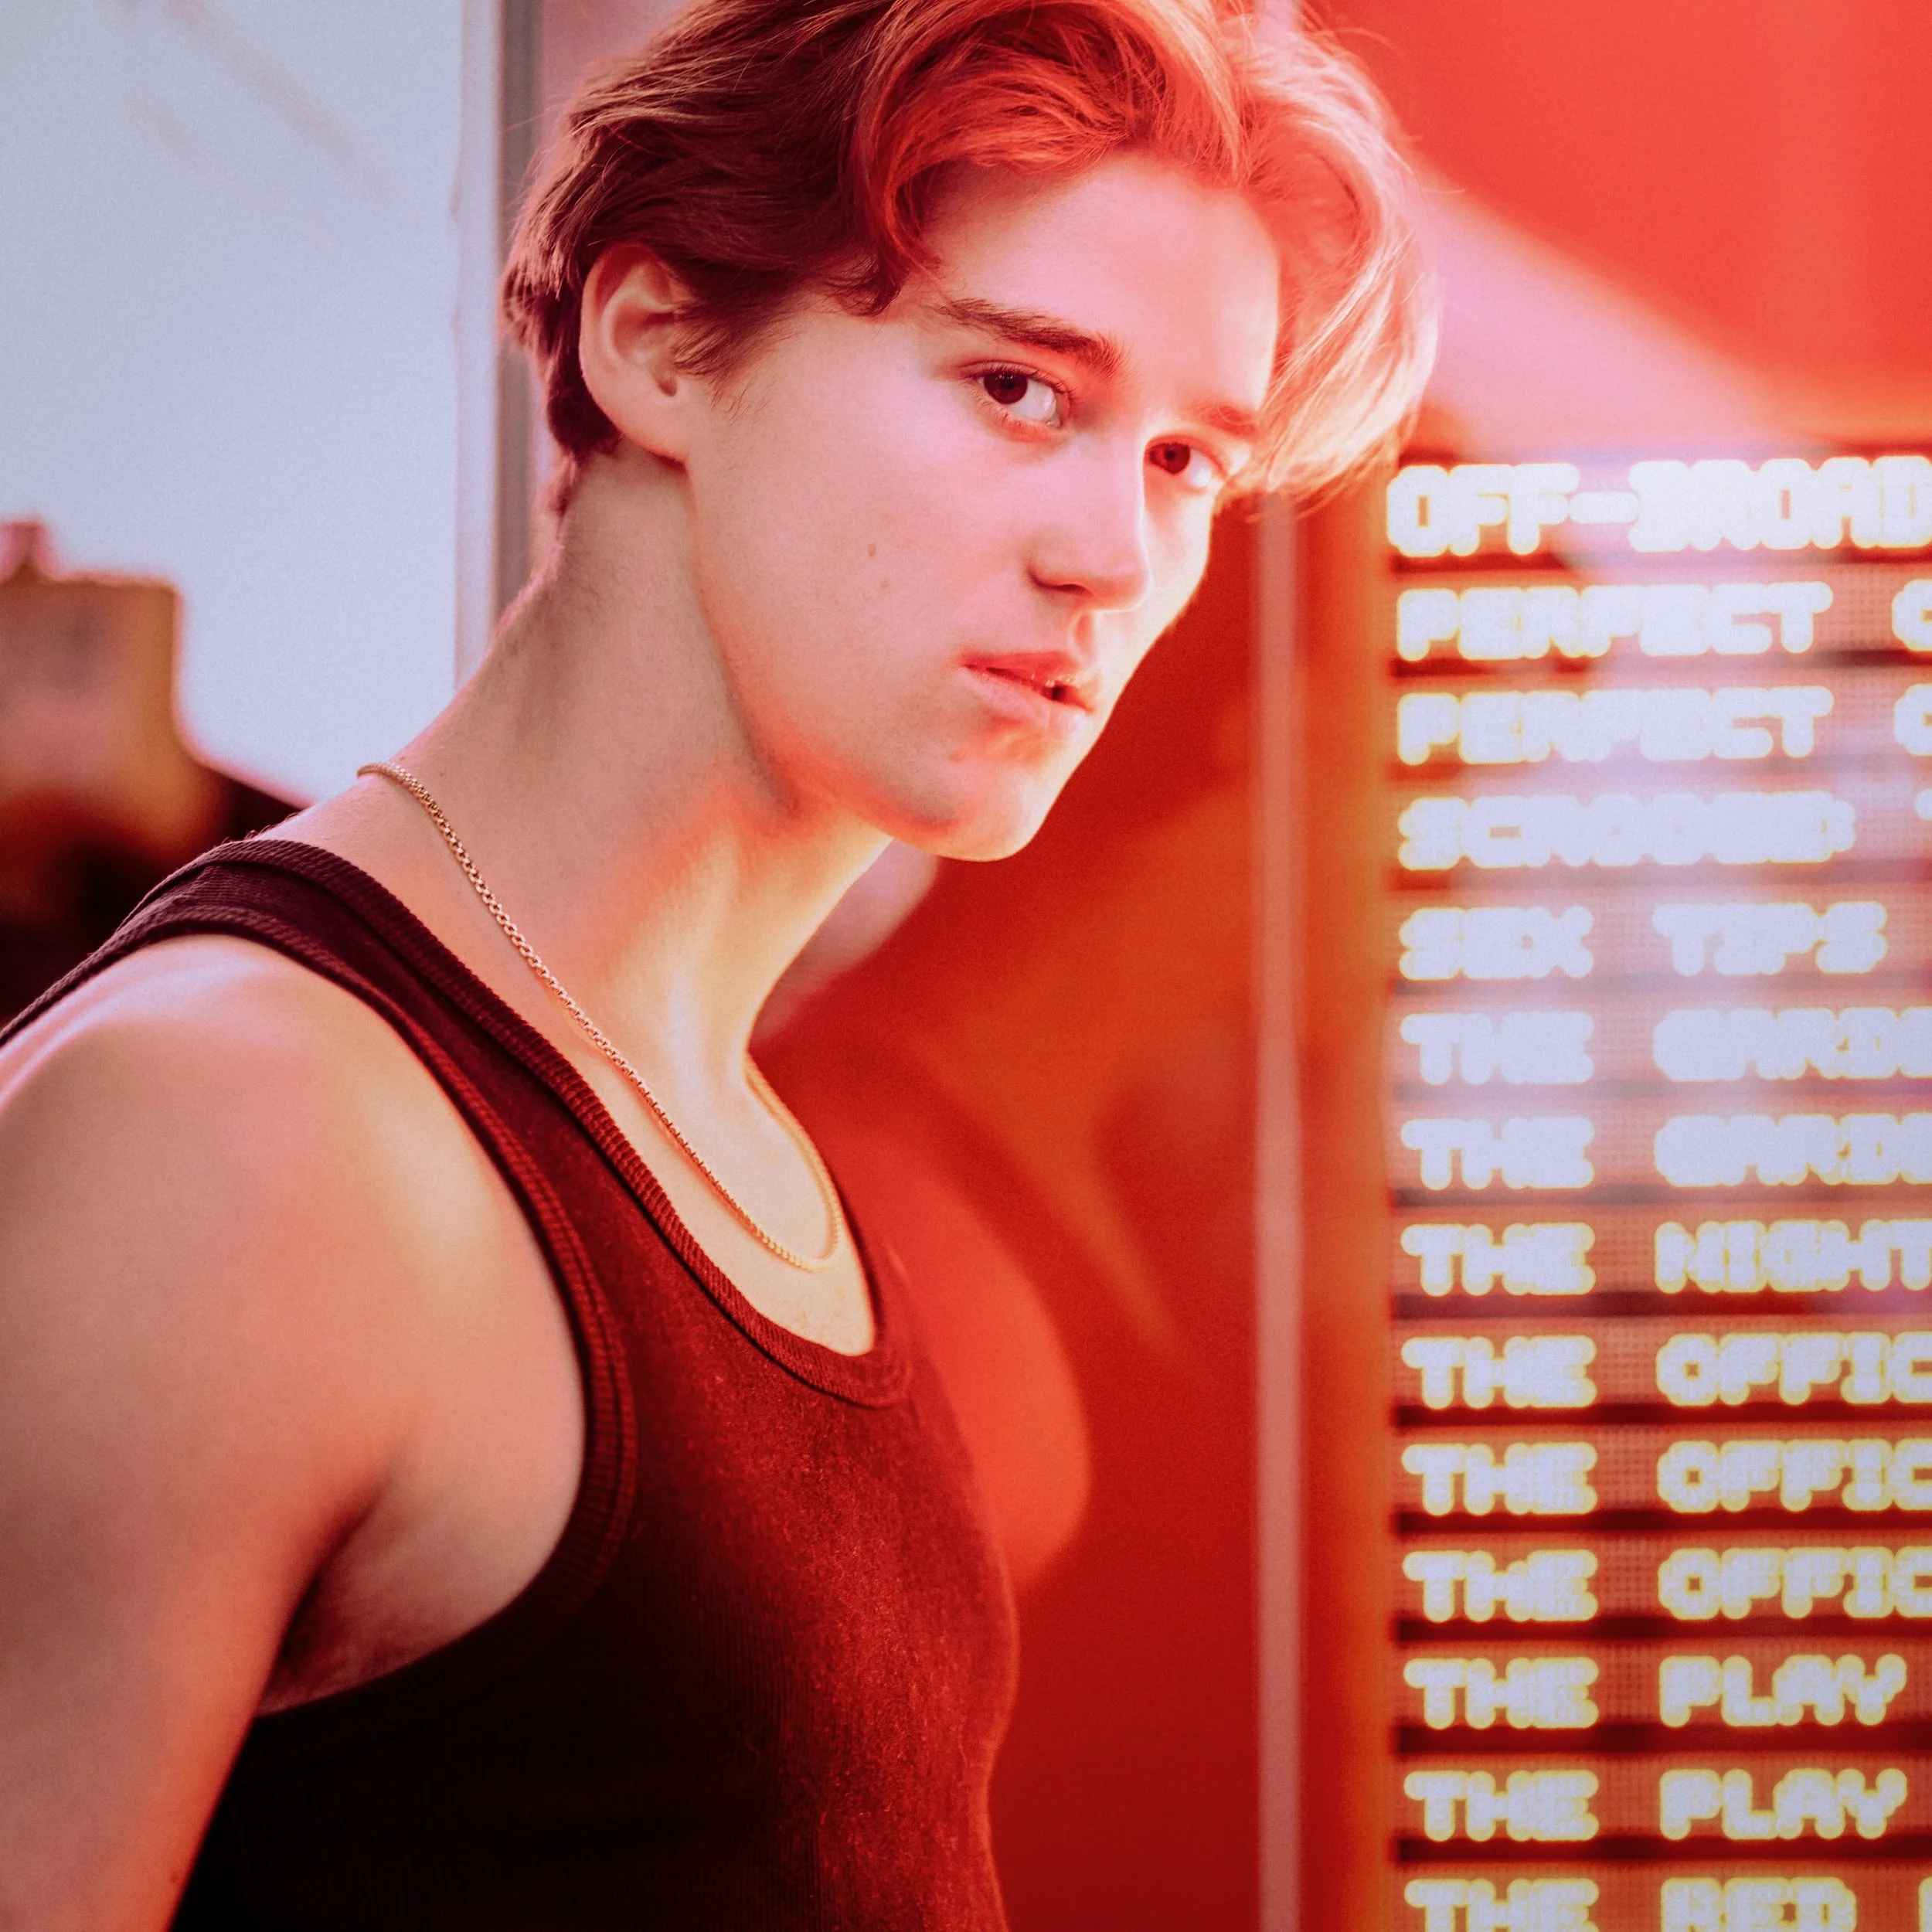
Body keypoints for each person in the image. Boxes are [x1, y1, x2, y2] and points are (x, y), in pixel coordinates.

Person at [0, 0, 1430, 1924]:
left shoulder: (745, 1159)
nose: (1112, 547)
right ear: (657, 339)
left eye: (1184, 460)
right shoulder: (240, 1131)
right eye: (1018, 387)